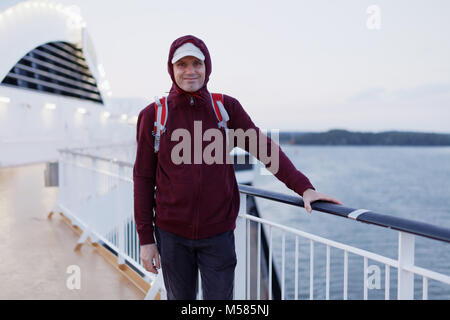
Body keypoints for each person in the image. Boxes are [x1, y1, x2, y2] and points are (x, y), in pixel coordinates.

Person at [133, 35, 343, 300]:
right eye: (182, 64)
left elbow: (263, 148)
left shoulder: (225, 108)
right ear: (171, 69)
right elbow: (142, 178)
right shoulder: (154, 115)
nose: (190, 71)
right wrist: (146, 239)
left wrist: (304, 187)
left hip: (218, 234)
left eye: (196, 63)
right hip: (171, 235)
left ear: (207, 66)